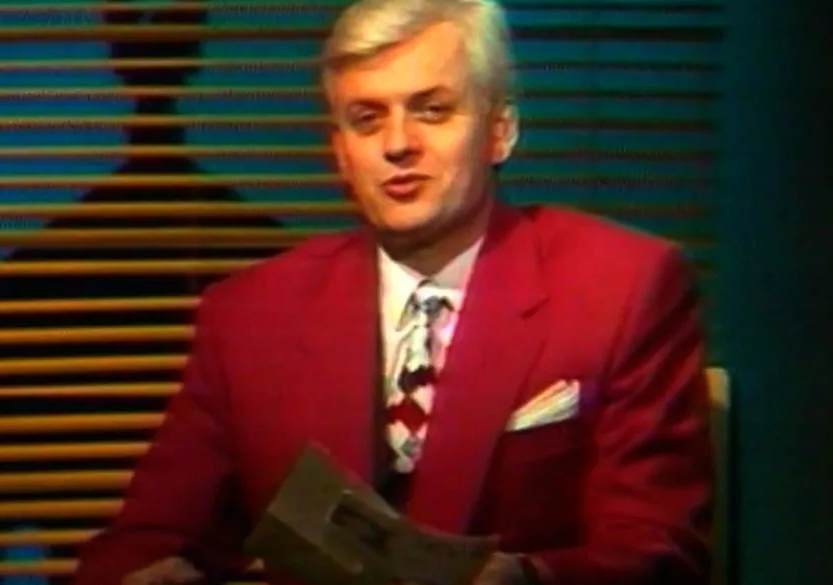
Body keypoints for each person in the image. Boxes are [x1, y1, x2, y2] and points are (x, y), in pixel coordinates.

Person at [72, 1, 714, 584]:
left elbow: (656, 551)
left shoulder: (623, 288)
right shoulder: (249, 315)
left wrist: (529, 579)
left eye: (432, 110)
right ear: (340, 153)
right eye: (367, 119)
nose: (398, 145)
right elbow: (146, 537)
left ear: (500, 131)